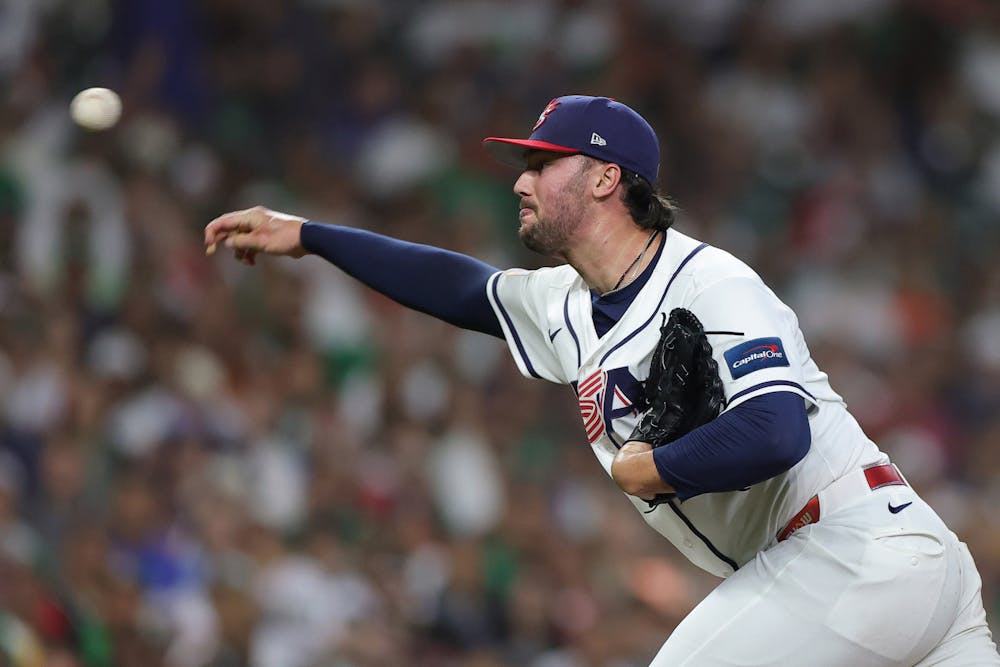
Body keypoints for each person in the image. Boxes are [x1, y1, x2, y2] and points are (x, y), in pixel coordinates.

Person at [204, 95, 999, 665]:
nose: (521, 179)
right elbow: (458, 287)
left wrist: (652, 465)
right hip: (892, 573)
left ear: (604, 180)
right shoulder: (567, 305)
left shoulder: (709, 281)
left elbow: (779, 428)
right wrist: (307, 235)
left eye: (543, 163)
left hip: (852, 548)